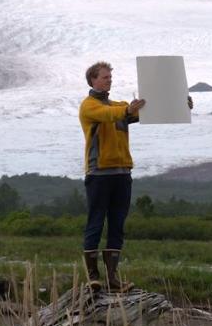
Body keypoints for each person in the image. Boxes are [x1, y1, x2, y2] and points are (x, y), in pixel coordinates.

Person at [78, 60, 191, 291]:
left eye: (110, 76)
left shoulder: (118, 105)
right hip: (99, 173)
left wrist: (180, 105)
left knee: (117, 225)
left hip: (122, 173)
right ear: (93, 80)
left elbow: (146, 114)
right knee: (96, 223)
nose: (109, 79)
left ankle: (111, 278)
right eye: (105, 77)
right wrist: (128, 110)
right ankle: (93, 277)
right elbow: (111, 114)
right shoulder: (89, 106)